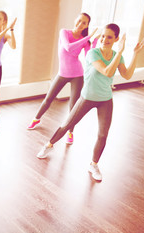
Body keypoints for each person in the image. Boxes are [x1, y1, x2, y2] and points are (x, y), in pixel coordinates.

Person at [36, 23, 144, 182]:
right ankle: (48, 145)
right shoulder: (93, 54)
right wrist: (120, 51)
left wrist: (135, 54)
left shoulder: (117, 55)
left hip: (105, 99)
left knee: (103, 134)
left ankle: (93, 164)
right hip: (87, 97)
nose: (104, 39)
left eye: (109, 37)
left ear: (116, 39)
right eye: (102, 35)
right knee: (67, 124)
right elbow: (107, 71)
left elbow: (127, 75)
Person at [27, 13, 98, 145]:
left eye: (84, 23)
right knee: (48, 99)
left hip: (77, 74)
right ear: (75, 19)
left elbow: (89, 57)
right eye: (79, 20)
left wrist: (93, 43)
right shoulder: (64, 32)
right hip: (62, 73)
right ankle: (36, 118)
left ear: (87, 25)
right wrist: (88, 37)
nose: (80, 24)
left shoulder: (85, 40)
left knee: (73, 105)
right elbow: (68, 47)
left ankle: (70, 132)